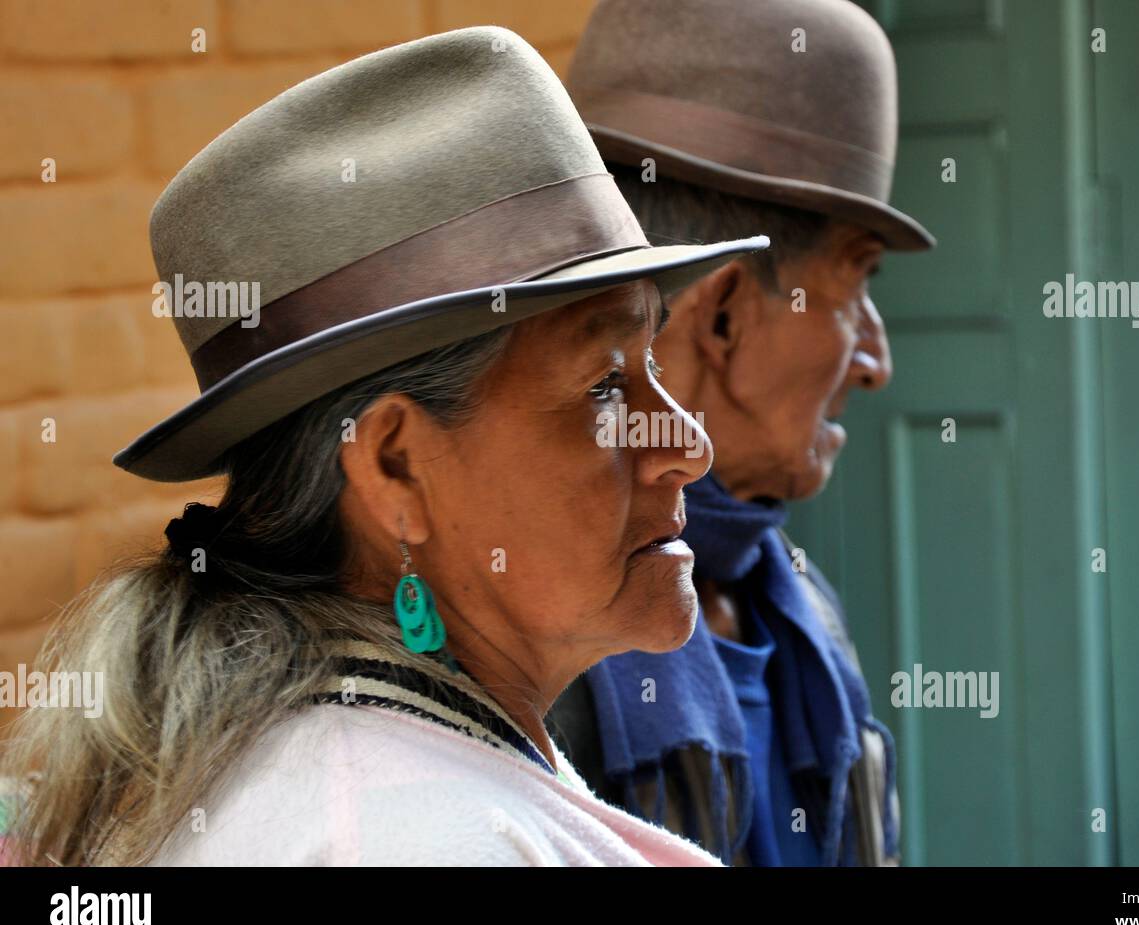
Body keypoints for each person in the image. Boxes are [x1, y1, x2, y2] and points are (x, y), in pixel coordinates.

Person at [0, 27, 767, 867]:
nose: (687, 444)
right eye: (603, 386)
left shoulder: (384, 780)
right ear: (396, 466)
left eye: (651, 359)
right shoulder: (413, 838)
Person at [547, 0, 936, 866]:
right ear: (722, 316)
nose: (876, 360)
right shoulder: (524, 650)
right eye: (855, 282)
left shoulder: (794, 609)